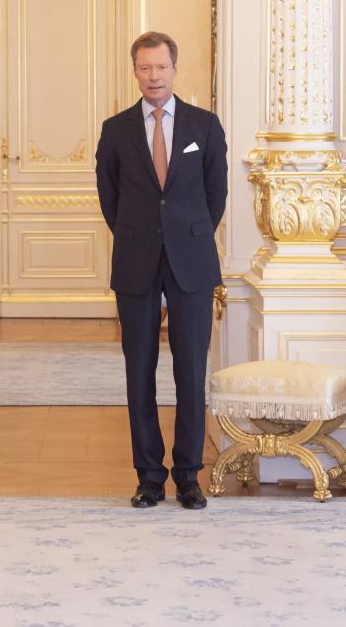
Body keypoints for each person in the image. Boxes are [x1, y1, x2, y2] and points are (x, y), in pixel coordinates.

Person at [95, 31, 228, 509]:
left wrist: (185, 235)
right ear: (135, 72)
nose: (153, 76)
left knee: (191, 371)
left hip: (191, 263)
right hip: (135, 262)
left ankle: (188, 474)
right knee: (140, 371)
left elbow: (217, 196)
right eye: (144, 68)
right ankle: (149, 476)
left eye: (161, 68)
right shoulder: (116, 130)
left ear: (175, 69)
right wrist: (139, 234)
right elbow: (109, 199)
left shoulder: (205, 126)